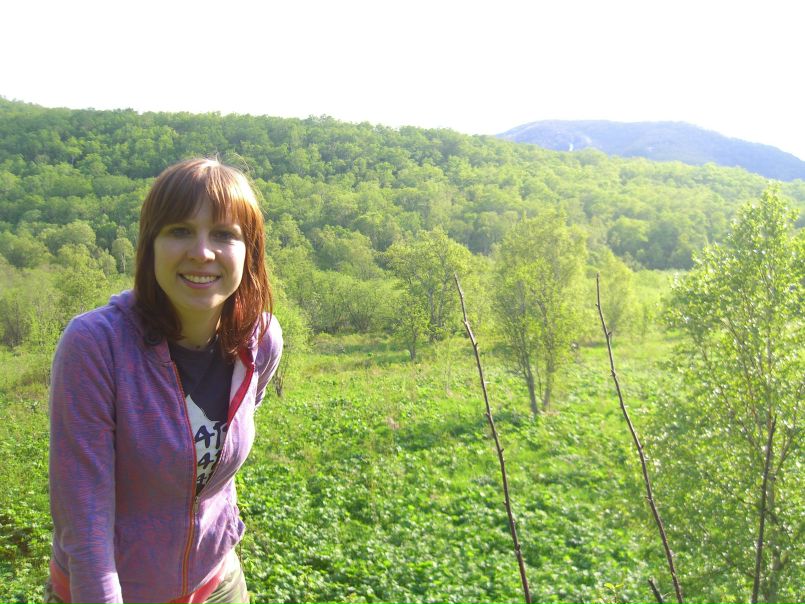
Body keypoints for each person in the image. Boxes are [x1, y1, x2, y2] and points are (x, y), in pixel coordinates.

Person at [45, 158, 283, 604]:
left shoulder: (260, 339)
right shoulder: (96, 345)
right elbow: (85, 517)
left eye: (224, 234)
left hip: (217, 583)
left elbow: (220, 445)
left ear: (249, 251)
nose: (202, 252)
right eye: (180, 230)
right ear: (150, 244)